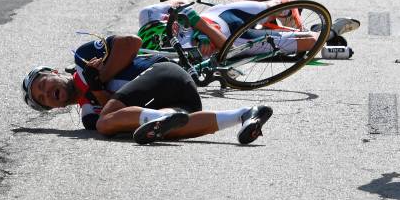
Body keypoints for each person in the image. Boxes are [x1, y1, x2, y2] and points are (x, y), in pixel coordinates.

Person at [22, 34, 273, 145]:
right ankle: (245, 114)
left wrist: (102, 74)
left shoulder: (83, 57)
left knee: (105, 124)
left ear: (55, 73)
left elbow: (132, 43)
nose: (47, 93)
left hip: (167, 73)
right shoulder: (87, 114)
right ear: (52, 108)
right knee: (175, 128)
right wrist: (96, 88)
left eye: (44, 84)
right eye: (43, 99)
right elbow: (120, 110)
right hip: (180, 101)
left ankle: (160, 117)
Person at [137, 0, 360, 56]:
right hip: (235, 40)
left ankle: (295, 22)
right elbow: (228, 48)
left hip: (222, 14)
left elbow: (180, 0)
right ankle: (328, 32)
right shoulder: (181, 53)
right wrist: (201, 29)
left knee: (278, 6)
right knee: (310, 42)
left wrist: (177, 6)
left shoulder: (148, 15)